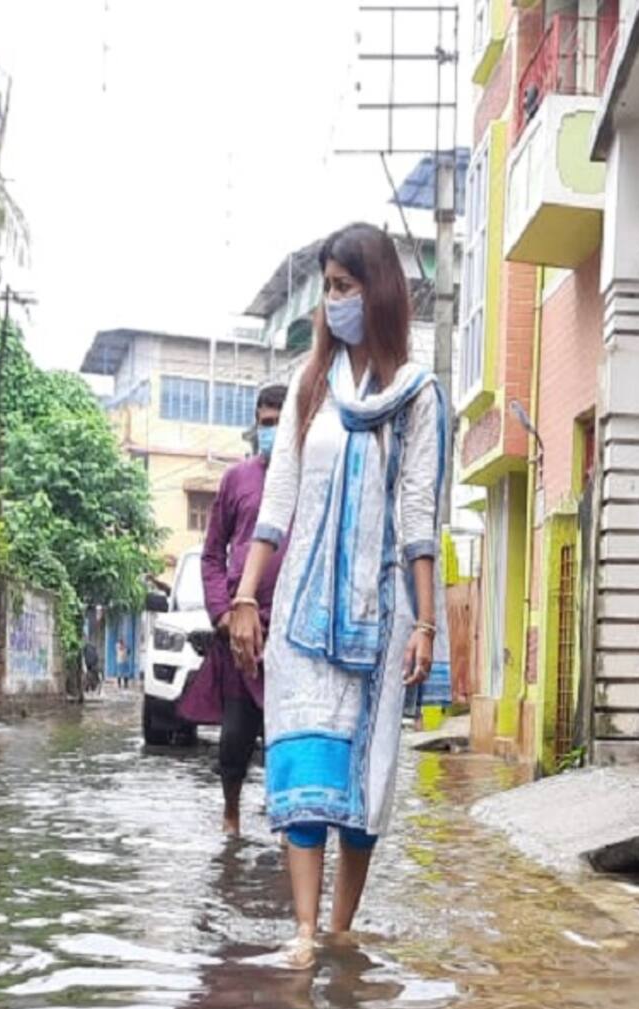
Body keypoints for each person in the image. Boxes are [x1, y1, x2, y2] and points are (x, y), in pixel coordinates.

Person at [228, 224, 446, 966]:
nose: (333, 301)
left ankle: (341, 925)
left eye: (345, 287)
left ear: (376, 291)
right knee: (302, 764)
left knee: (367, 776)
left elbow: (420, 515)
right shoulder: (308, 386)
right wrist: (248, 595)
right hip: (300, 613)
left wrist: (426, 624)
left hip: (379, 616)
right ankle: (301, 930)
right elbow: (278, 502)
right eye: (327, 287)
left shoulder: (417, 398)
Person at [177, 383, 288, 836]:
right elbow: (211, 554)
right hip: (240, 634)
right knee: (236, 735)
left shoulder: (314, 481)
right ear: (254, 428)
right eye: (266, 424)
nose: (274, 431)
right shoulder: (237, 480)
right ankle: (231, 819)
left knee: (288, 740)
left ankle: (288, 828)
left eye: (283, 422)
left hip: (291, 634)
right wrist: (222, 614)